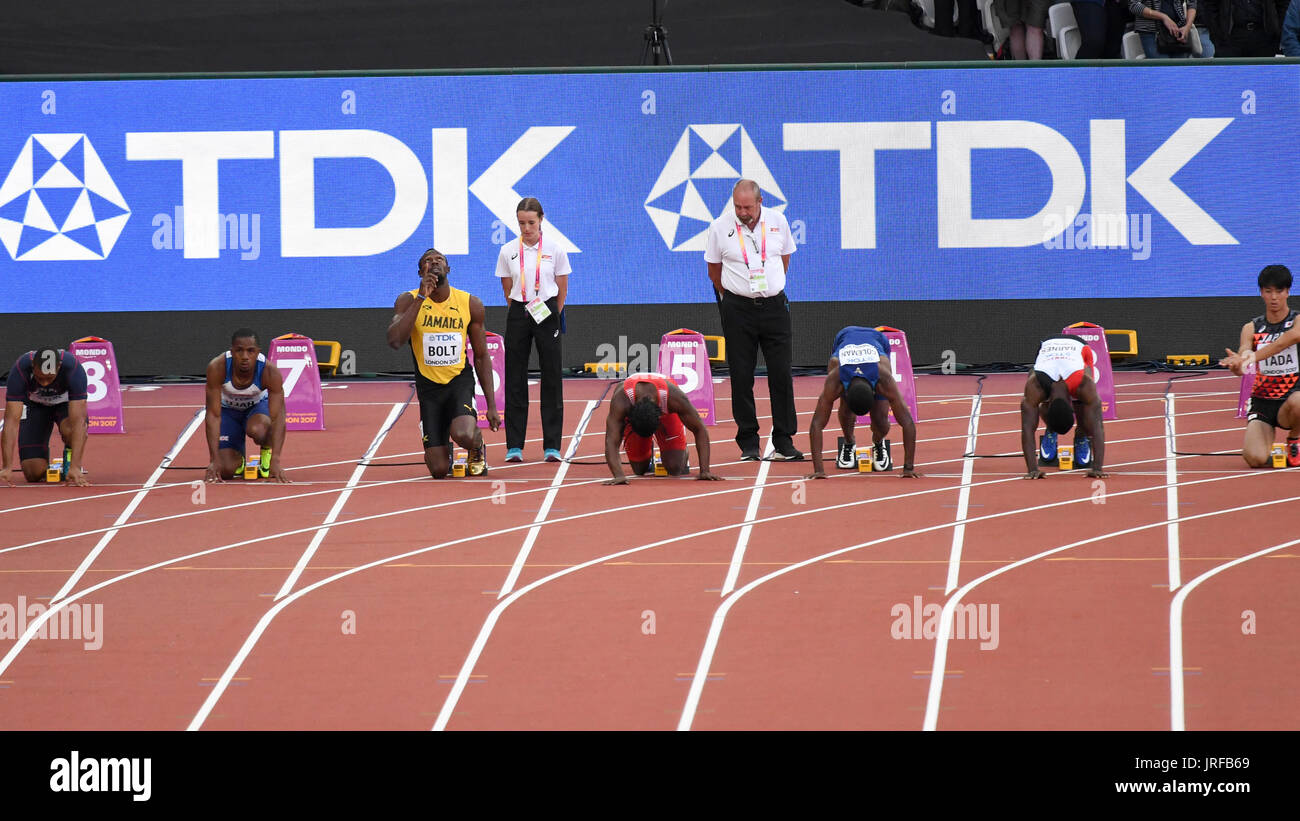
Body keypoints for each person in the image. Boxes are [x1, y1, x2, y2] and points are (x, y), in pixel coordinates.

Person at [705, 179, 801, 462]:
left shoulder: (778, 221)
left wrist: (769, 287)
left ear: (760, 202)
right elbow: (714, 271)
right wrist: (738, 294)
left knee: (781, 374)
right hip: (738, 309)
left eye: (747, 206)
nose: (742, 212)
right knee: (741, 375)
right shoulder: (719, 227)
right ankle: (748, 441)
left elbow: (784, 259)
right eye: (737, 206)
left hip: (774, 306)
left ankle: (784, 440)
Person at [389, 248, 500, 479]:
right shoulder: (408, 299)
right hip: (428, 387)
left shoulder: (470, 303)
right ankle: (440, 447)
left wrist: (491, 405)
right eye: (427, 261)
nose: (434, 262)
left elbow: (481, 356)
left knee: (463, 435)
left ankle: (476, 446)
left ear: (448, 269)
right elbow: (395, 341)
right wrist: (421, 298)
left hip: (458, 381)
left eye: (439, 259)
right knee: (439, 470)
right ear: (421, 271)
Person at [496, 197, 569, 464]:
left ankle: (552, 446)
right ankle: (514, 445)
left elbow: (562, 287)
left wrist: (551, 313)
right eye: (521, 223)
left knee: (551, 377)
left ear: (541, 220)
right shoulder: (507, 250)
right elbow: (506, 288)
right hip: (518, 311)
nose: (526, 228)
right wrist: (521, 307)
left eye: (531, 222)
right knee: (515, 377)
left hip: (547, 311)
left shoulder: (554, 249)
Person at [806, 326, 921, 480]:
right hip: (846, 335)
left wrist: (908, 468)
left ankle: (878, 443)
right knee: (846, 411)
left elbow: (907, 422)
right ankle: (849, 442)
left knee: (880, 420)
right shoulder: (836, 376)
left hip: (877, 340)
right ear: (844, 391)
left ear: (875, 391)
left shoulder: (883, 377)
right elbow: (817, 424)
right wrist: (819, 471)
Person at [1219, 264, 1300, 468]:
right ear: (1261, 293)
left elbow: (1286, 340)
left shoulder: (1297, 321)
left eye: (1279, 291)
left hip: (1291, 400)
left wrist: (1250, 358)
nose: (1274, 297)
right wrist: (1238, 364)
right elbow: (1244, 353)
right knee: (1254, 459)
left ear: (1288, 292)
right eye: (1268, 291)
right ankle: (1270, 448)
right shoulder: (1251, 327)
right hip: (1263, 402)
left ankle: (1294, 440)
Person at [601, 372, 722, 485]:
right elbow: (611, 440)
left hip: (664, 399)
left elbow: (700, 429)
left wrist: (705, 470)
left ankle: (682, 449)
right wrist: (618, 475)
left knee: (674, 468)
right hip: (639, 412)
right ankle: (645, 449)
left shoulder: (674, 398)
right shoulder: (622, 401)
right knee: (639, 469)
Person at [204, 329, 290, 483]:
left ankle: (266, 453)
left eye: (250, 351)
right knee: (226, 470)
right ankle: (240, 461)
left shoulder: (269, 372)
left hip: (257, 409)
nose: (244, 357)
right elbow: (213, 415)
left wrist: (276, 460)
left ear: (258, 352)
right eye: (239, 351)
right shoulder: (217, 367)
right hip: (228, 412)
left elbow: (278, 417)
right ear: (232, 351)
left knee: (258, 429)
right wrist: (213, 459)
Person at [1020, 336, 1107, 479]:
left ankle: (1081, 434)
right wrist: (1032, 469)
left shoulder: (1085, 384)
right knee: (1031, 405)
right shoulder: (1035, 385)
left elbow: (1097, 426)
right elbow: (1027, 427)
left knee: (1087, 416)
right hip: (1048, 346)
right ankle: (1051, 429)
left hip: (1079, 347)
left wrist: (1097, 467)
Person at [1, 347, 90, 487]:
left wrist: (75, 466)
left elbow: (79, 421)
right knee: (33, 473)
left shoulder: (73, 369)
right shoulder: (20, 369)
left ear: (59, 367)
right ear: (32, 367)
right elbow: (10, 422)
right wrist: (6, 466)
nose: (45, 383)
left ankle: (70, 461)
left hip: (65, 404)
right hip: (35, 405)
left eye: (49, 378)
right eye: (40, 378)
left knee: (72, 432)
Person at [1201, 0, 1290, 56]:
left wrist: (1278, 32)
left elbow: (1283, 5)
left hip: (1264, 38)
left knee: (1262, 81)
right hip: (1230, 38)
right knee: (1230, 81)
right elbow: (1209, 6)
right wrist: (1218, 36)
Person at [1131, 0, 1215, 57]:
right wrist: (1163, 17)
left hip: (1178, 32)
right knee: (1163, 71)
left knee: (1180, 71)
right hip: (1152, 32)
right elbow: (1134, 5)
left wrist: (1187, 26)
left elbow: (1192, 4)